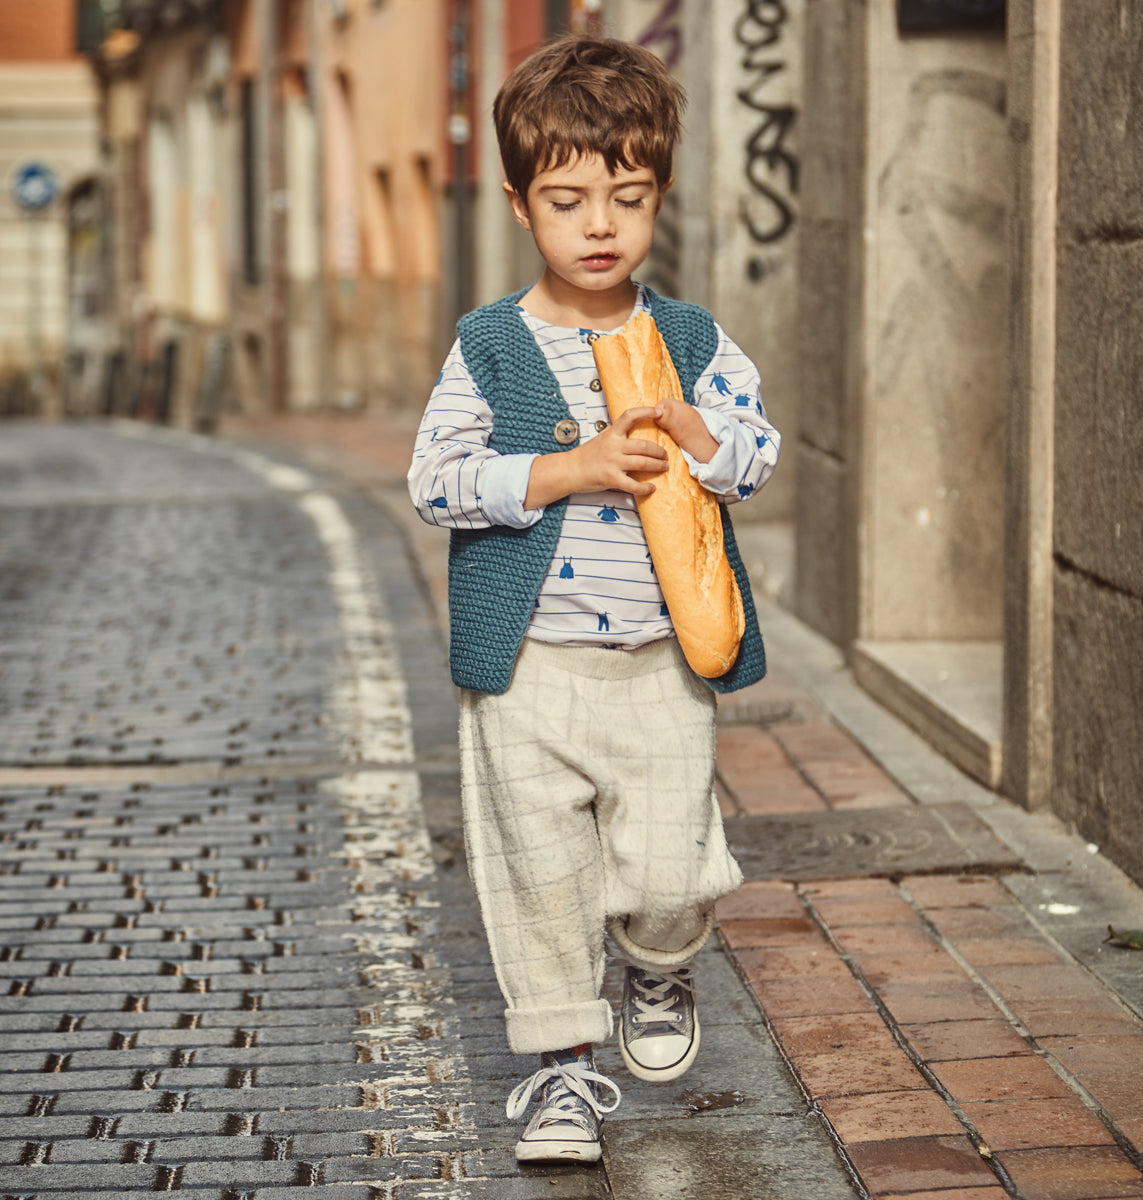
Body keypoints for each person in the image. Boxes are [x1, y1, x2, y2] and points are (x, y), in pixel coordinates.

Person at [407, 34, 778, 1164]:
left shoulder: (694, 342)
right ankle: (564, 1078)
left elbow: (755, 458)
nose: (600, 225)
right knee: (540, 878)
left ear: (659, 192)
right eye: (569, 200)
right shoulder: (489, 346)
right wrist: (566, 470)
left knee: (671, 871)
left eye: (627, 196)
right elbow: (434, 480)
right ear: (522, 205)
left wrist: (701, 435)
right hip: (527, 668)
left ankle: (658, 968)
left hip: (661, 663)